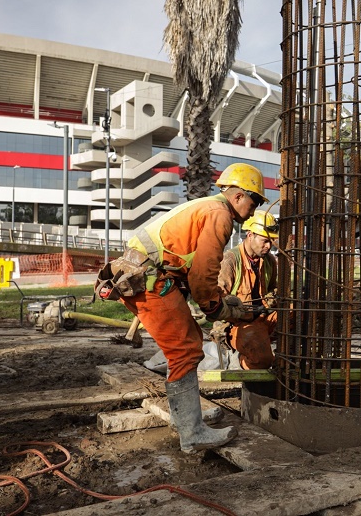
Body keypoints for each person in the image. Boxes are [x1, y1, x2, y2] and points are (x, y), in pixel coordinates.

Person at [112, 163, 268, 453]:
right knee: (184, 350)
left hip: (147, 275)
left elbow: (189, 262)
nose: (255, 207)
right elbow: (203, 276)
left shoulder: (210, 208)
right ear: (237, 196)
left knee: (190, 344)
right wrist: (217, 309)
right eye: (255, 200)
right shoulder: (220, 216)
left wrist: (220, 301)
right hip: (148, 280)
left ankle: (187, 418)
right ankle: (192, 432)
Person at [213, 210, 279, 370]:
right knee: (261, 360)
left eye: (271, 241)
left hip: (263, 317)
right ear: (250, 235)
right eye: (265, 241)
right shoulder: (230, 260)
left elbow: (273, 290)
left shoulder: (268, 260)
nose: (268, 246)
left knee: (300, 316)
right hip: (238, 324)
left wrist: (272, 298)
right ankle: (244, 365)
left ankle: (283, 360)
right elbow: (218, 300)